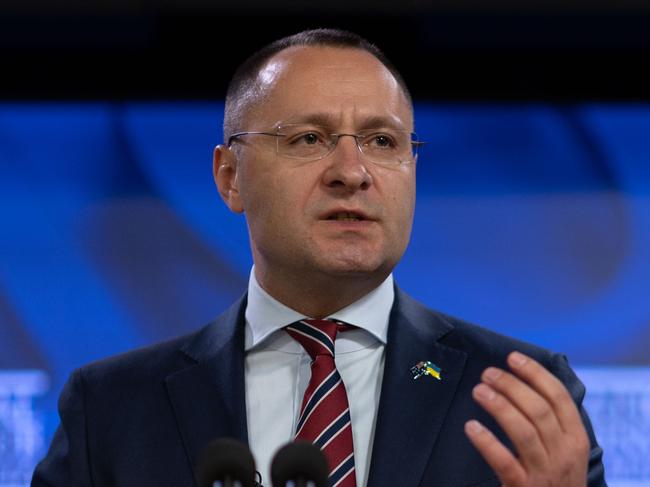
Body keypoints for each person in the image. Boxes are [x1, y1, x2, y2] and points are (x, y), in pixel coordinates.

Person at [32, 28, 606, 487]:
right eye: (307, 138)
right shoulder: (110, 410)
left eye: (383, 142)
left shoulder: (524, 399)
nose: (351, 173)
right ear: (229, 177)